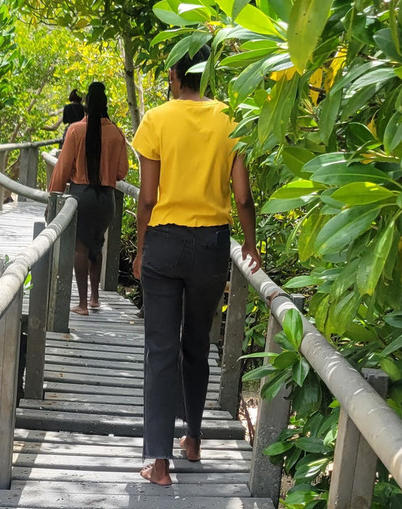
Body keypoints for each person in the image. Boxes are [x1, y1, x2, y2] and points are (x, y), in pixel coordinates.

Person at [131, 45, 261, 486]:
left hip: (165, 242)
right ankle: (194, 439)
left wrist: (140, 248)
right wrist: (251, 244)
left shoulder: (156, 120)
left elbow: (147, 197)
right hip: (212, 244)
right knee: (198, 341)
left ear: (174, 75)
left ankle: (159, 462)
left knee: (160, 349)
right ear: (208, 76)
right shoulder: (231, 121)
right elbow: (242, 196)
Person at [48, 81, 130, 315]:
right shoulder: (116, 132)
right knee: (97, 245)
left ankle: (82, 304)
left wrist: (52, 199)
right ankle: (95, 298)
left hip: (80, 197)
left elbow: (62, 169)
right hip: (106, 199)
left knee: (80, 249)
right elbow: (122, 171)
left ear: (86, 104)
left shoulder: (75, 130)